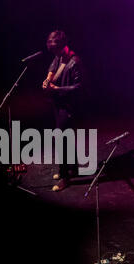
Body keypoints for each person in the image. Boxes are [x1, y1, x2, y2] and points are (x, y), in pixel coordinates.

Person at [42, 30, 83, 191]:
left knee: (61, 139)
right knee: (66, 137)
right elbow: (52, 68)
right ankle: (73, 168)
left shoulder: (75, 62)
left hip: (70, 106)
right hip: (59, 104)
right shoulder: (59, 56)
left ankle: (65, 176)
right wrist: (47, 80)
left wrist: (58, 88)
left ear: (62, 46)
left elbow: (79, 88)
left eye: (55, 49)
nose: (54, 53)